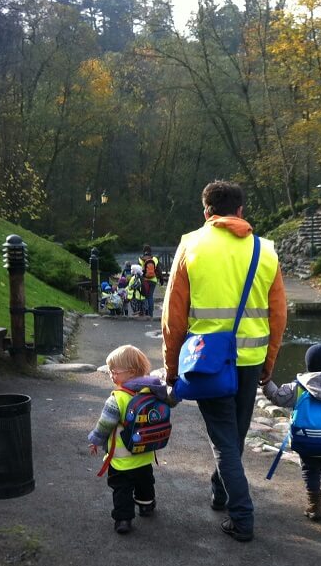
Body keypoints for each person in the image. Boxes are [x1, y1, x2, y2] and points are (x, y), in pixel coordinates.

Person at [162, 180, 287, 542]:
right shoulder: (266, 250)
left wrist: (172, 370)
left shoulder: (191, 245)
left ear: (207, 212)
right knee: (234, 436)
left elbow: (173, 316)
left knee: (224, 441)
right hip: (250, 360)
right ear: (241, 211)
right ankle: (220, 492)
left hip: (208, 361)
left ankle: (242, 516)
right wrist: (268, 364)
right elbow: (279, 316)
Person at [262, 343, 321, 520]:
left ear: (308, 365)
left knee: (311, 471)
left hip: (305, 441)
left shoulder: (297, 388)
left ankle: (314, 507)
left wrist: (266, 382)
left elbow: (277, 397)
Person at [88, 345, 178, 534]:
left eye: (114, 371)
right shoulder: (153, 391)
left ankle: (123, 519)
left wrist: (96, 440)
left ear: (130, 372)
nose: (111, 375)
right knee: (145, 482)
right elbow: (172, 401)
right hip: (144, 453)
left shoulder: (117, 398)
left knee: (121, 488)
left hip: (121, 458)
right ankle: (146, 506)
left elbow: (105, 424)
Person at [139, 246, 160, 319]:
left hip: (144, 280)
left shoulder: (140, 259)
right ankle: (151, 314)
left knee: (145, 296)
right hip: (153, 280)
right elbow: (158, 270)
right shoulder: (155, 259)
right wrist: (161, 279)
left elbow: (138, 270)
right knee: (150, 296)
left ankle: (145, 312)